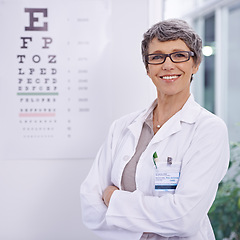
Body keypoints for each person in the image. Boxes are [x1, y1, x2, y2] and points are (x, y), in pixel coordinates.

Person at [80, 19, 229, 240]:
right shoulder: (122, 127)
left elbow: (184, 219)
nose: (168, 65)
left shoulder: (209, 129)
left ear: (195, 64)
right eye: (157, 57)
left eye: (179, 55)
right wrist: (155, 218)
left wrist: (114, 200)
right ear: (148, 68)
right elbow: (91, 206)